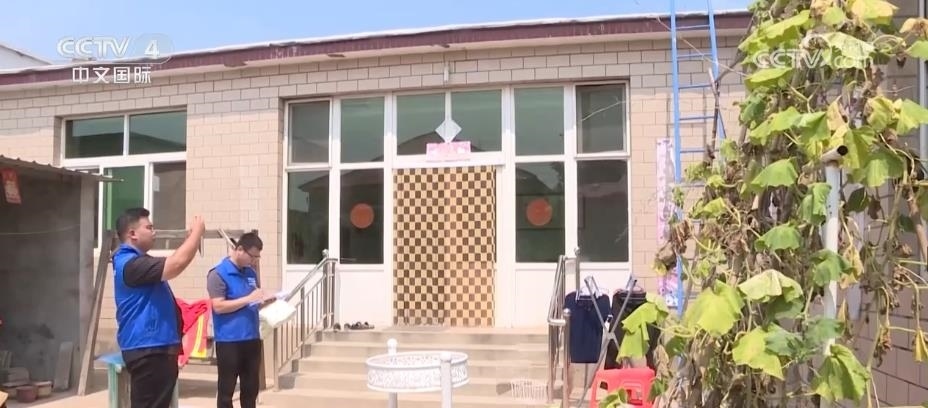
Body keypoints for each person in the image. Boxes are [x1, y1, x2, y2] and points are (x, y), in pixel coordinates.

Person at [112, 208, 205, 408]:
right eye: (149, 227)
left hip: (156, 347)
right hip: (148, 348)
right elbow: (176, 264)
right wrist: (197, 233)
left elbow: (175, 261)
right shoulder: (130, 264)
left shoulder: (139, 262)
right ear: (132, 234)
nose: (154, 232)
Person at [207, 232, 268, 408]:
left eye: (257, 257)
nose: (254, 261)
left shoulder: (250, 273)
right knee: (226, 390)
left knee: (250, 390)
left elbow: (252, 302)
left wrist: (265, 300)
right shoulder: (218, 274)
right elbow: (218, 306)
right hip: (229, 341)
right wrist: (248, 299)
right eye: (252, 256)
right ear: (240, 249)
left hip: (251, 338)